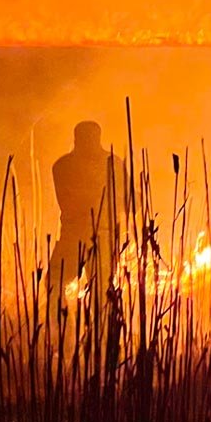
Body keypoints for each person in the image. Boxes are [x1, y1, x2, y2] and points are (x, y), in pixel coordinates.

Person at [49, 121, 125, 300]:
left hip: (103, 235)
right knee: (54, 281)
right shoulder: (63, 166)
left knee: (101, 290)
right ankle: (64, 325)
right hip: (74, 234)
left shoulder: (113, 163)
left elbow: (122, 196)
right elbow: (68, 201)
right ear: (76, 139)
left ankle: (101, 327)